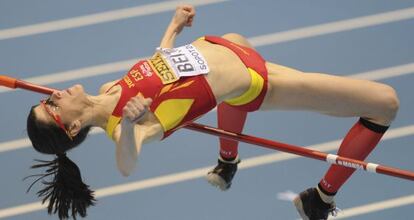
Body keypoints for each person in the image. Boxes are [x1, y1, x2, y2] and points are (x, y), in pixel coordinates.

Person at [25, 4, 399, 220]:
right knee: (384, 102)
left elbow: (163, 68)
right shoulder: (130, 125)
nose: (55, 94)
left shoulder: (107, 90)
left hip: (228, 46)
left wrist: (171, 29)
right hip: (258, 80)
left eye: (46, 99)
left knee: (228, 95)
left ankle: (227, 162)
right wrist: (127, 124)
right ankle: (320, 198)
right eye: (53, 105)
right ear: (73, 127)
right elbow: (126, 163)